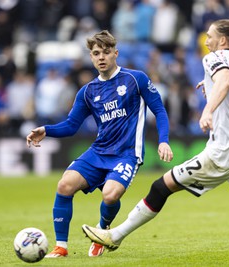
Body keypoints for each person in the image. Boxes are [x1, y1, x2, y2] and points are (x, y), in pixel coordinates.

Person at [82, 19, 229, 261]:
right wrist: (211, 85)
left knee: (161, 187)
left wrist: (208, 110)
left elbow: (224, 81)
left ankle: (115, 236)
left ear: (222, 40)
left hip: (225, 149)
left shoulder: (213, 57)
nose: (206, 41)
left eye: (209, 36)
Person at [26, 30, 173, 258]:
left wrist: (163, 141)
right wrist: (47, 130)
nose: (101, 57)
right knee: (64, 185)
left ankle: (102, 231)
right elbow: (71, 125)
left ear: (115, 53)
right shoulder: (87, 92)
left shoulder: (136, 79)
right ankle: (61, 247)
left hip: (126, 154)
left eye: (106, 52)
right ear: (91, 58)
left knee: (110, 195)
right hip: (99, 151)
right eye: (96, 53)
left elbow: (160, 111)